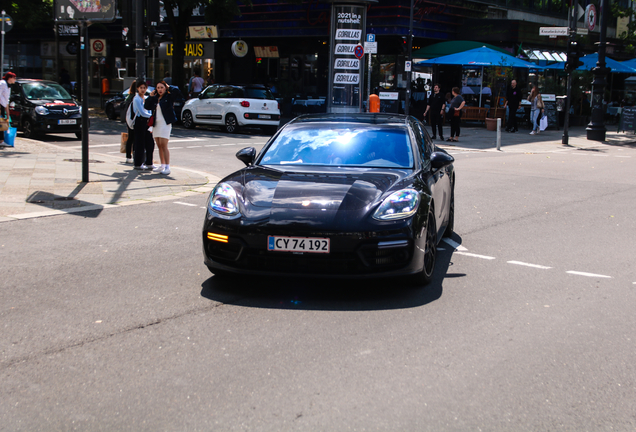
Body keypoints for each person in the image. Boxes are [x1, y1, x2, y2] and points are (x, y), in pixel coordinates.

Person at [144, 81, 176, 175]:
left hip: (165, 123)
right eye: (158, 88)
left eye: (162, 87)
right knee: (159, 144)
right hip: (156, 123)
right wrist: (150, 96)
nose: (160, 90)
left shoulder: (168, 97)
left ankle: (167, 166)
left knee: (164, 144)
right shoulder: (155, 98)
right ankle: (162, 165)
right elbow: (146, 106)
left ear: (165, 88)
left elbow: (177, 91)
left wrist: (169, 87)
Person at [132, 80, 155, 170]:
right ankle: (138, 163)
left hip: (147, 122)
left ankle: (149, 162)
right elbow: (141, 112)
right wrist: (152, 116)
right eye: (141, 88)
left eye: (144, 88)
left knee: (150, 142)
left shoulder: (146, 97)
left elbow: (149, 109)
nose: (143, 89)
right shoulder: (136, 99)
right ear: (137, 88)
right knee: (139, 143)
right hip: (140, 121)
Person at [0, 71, 17, 146]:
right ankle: (1, 141)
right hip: (0, 105)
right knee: (1, 123)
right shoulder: (3, 83)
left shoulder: (8, 85)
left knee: (2, 123)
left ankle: (1, 141)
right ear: (9, 78)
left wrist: (7, 112)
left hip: (3, 105)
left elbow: (7, 99)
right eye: (14, 78)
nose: (15, 80)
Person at [122, 81, 137, 164]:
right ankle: (134, 155)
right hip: (134, 119)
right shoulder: (135, 97)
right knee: (135, 138)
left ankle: (128, 156)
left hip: (128, 119)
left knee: (130, 138)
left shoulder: (129, 97)